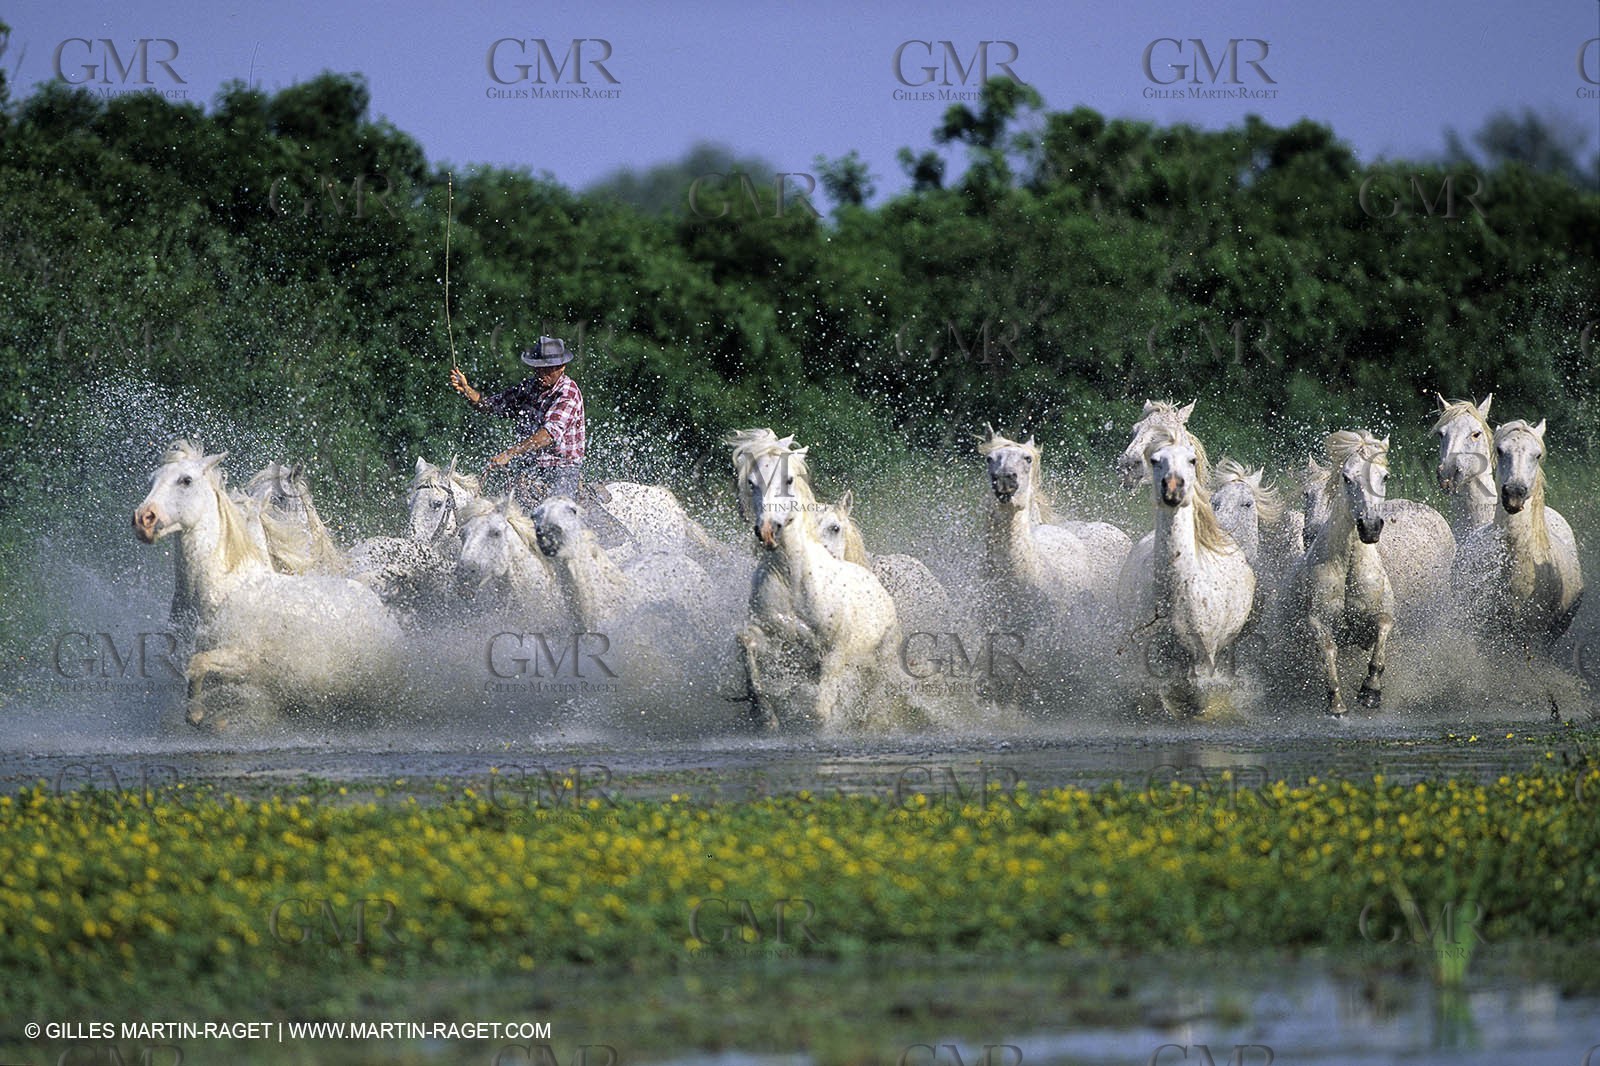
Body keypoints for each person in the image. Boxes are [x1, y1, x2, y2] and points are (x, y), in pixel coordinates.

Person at [450, 336, 585, 509]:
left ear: (561, 367)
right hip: (529, 468)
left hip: (561, 469)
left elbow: (548, 435)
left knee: (555, 515)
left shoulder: (568, 393)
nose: (541, 374)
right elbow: (492, 405)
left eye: (548, 369)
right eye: (538, 369)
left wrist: (510, 453)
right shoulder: (528, 387)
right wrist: (466, 390)